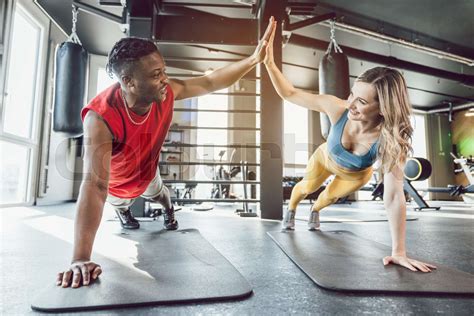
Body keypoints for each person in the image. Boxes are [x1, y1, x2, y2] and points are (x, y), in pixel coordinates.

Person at [56, 18, 277, 288]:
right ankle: (125, 214)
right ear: (129, 82)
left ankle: (170, 212)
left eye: (164, 70)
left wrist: (253, 60)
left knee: (162, 196)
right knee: (119, 204)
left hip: (147, 175)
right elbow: (95, 185)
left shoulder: (167, 92)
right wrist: (80, 258)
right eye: (155, 74)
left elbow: (210, 82)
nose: (165, 79)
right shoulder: (100, 117)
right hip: (116, 187)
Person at [263, 22, 436, 273]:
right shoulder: (337, 107)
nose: (350, 103)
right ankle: (290, 210)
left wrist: (398, 251)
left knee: (328, 197)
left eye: (362, 102)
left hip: (355, 174)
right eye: (352, 94)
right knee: (307, 187)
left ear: (383, 108)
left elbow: (395, 194)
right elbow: (289, 93)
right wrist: (269, 63)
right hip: (325, 157)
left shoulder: (389, 139)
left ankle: (314, 211)